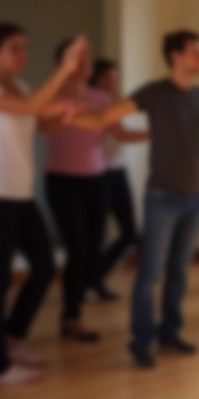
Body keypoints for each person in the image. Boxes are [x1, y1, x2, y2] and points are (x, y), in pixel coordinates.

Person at [71, 30, 199, 369]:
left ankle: (170, 333)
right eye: (195, 51)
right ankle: (141, 341)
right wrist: (66, 115)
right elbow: (103, 117)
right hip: (162, 197)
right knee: (150, 273)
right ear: (176, 56)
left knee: (179, 272)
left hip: (194, 198)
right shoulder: (154, 92)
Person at [0, 23, 85, 384]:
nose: (23, 55)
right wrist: (65, 68)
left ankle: (11, 338)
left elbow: (39, 123)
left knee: (43, 267)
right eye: (14, 48)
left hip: (22, 195)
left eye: (25, 48)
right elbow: (29, 107)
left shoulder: (23, 87)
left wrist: (63, 117)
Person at [42, 41, 142, 340]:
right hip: (62, 181)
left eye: (88, 56)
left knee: (93, 247)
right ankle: (71, 317)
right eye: (79, 57)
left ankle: (79, 300)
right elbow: (43, 127)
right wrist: (66, 112)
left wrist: (157, 133)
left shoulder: (100, 98)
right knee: (78, 248)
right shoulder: (51, 94)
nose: (87, 61)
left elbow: (119, 133)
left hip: (96, 180)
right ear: (64, 61)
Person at [87, 59, 147, 301]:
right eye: (107, 78)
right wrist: (157, 134)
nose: (112, 82)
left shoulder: (115, 103)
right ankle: (90, 281)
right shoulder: (95, 102)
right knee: (96, 234)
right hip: (99, 174)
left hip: (119, 172)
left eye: (115, 78)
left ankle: (94, 278)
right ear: (96, 79)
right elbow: (121, 135)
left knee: (129, 233)